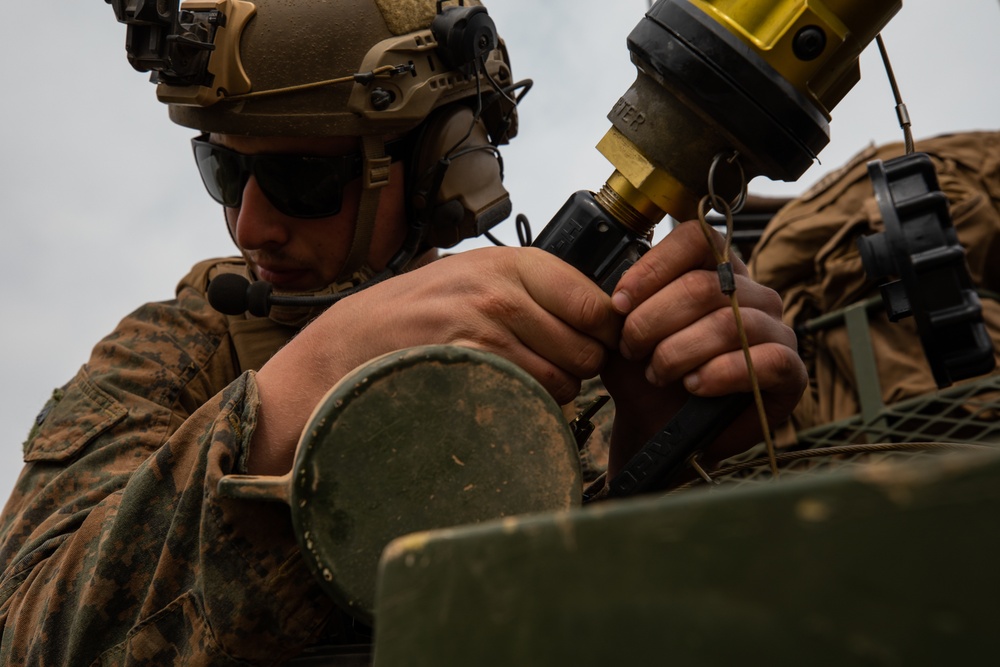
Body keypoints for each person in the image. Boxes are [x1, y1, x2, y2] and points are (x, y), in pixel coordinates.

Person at [0, 0, 806, 663]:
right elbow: (34, 637)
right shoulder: (171, 353)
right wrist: (314, 381)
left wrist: (664, 462)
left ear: (440, 166)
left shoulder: (565, 369)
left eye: (301, 178)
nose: (250, 224)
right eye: (225, 169)